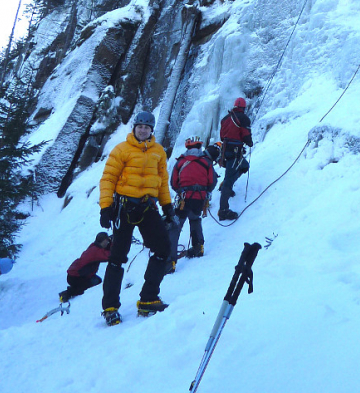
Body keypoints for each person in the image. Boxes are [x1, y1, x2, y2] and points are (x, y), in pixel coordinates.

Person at [99, 109, 174, 326]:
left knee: (162, 248)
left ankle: (148, 299)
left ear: (152, 130)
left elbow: (162, 181)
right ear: (134, 128)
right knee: (117, 257)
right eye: (140, 126)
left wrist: (167, 206)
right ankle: (110, 307)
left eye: (147, 127)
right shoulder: (121, 150)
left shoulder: (159, 152)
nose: (143, 130)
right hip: (124, 207)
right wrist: (105, 207)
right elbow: (108, 179)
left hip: (148, 206)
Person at [166, 134, 218, 272]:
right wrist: (204, 192)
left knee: (175, 227)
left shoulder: (180, 162)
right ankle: (198, 247)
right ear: (200, 147)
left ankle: (169, 262)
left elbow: (173, 182)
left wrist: (180, 191)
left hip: (184, 197)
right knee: (195, 219)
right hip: (200, 197)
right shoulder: (206, 161)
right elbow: (212, 181)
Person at [217, 98, 253, 221]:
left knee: (244, 166)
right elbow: (246, 135)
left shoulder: (225, 118)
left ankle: (226, 186)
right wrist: (249, 142)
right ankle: (223, 210)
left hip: (225, 151)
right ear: (243, 107)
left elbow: (222, 136)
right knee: (230, 177)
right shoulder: (243, 118)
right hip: (235, 152)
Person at [59, 232, 111, 302]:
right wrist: (113, 244)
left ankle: (76, 287)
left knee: (97, 281)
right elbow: (109, 256)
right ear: (103, 241)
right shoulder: (96, 251)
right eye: (107, 241)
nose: (108, 242)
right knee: (92, 286)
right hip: (76, 277)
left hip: (77, 274)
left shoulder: (94, 246)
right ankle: (67, 294)